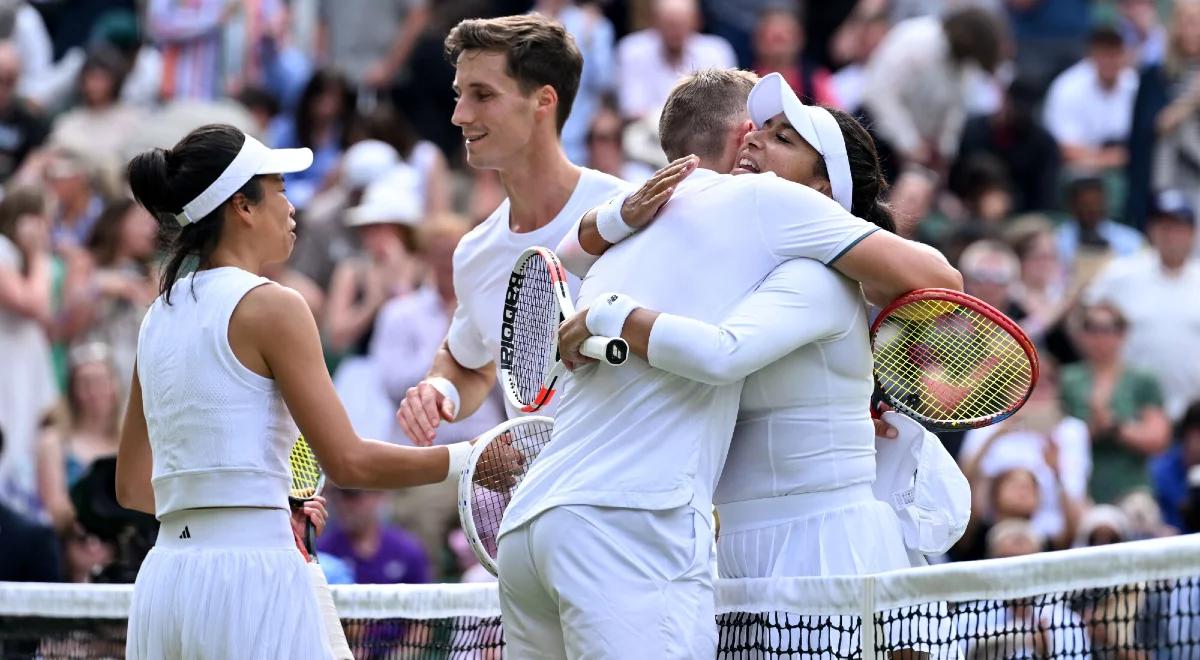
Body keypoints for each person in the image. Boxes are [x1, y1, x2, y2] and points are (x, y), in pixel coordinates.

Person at [495, 68, 961, 658]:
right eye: (758, 129)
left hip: (819, 542)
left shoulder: (795, 249)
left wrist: (612, 313)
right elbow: (573, 256)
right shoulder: (717, 243)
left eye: (783, 138)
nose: (755, 140)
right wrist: (611, 221)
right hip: (719, 543)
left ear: (821, 195)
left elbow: (724, 352)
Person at [115, 124, 476, 659]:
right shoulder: (274, 306)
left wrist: (264, 503)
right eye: (280, 187)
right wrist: (471, 459)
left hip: (165, 584)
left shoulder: (157, 317)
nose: (291, 207)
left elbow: (133, 488)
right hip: (254, 580)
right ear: (242, 205)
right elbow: (350, 463)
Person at [394, 14, 629, 444]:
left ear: (543, 101)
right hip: (537, 504)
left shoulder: (628, 214)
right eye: (459, 95)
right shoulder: (473, 252)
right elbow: (467, 361)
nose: (459, 115)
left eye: (482, 95)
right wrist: (438, 388)